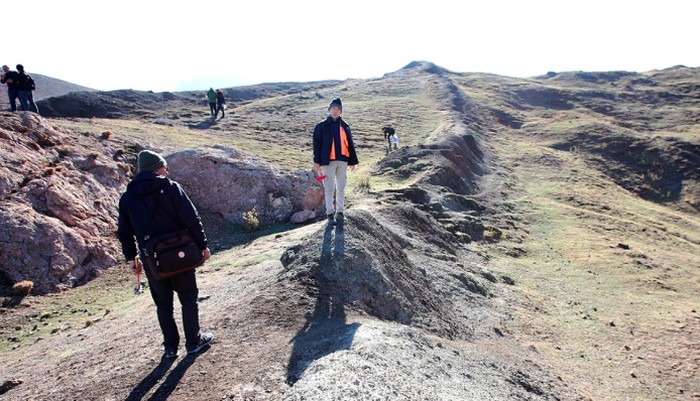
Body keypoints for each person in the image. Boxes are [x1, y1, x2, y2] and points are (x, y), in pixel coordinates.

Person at [117, 150, 213, 359]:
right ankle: (194, 342)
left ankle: (170, 348)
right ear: (157, 168)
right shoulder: (170, 188)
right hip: (181, 255)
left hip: (152, 262)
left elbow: (125, 232)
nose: (167, 172)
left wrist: (131, 259)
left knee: (163, 304)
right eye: (165, 168)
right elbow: (192, 218)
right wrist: (202, 245)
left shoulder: (128, 198)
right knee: (188, 298)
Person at [313, 98, 359, 227]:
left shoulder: (345, 126)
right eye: (333, 107)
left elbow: (349, 145)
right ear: (329, 109)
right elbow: (316, 145)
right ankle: (329, 214)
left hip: (343, 161)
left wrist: (352, 161)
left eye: (338, 108)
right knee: (329, 188)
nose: (335, 110)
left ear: (341, 111)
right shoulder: (321, 126)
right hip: (328, 162)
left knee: (341, 187)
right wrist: (317, 162)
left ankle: (340, 213)